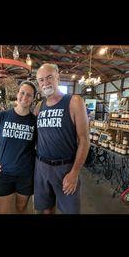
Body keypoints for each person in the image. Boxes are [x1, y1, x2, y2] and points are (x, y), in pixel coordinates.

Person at [34, 63, 90, 214]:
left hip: (65, 168)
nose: (45, 83)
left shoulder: (74, 102)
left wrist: (74, 173)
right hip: (42, 167)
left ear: (58, 77)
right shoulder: (39, 106)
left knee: (70, 211)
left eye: (49, 77)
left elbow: (84, 140)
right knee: (46, 209)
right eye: (41, 80)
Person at [0, 81, 37, 214]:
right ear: (17, 94)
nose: (25, 97)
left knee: (21, 209)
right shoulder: (2, 116)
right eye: (22, 93)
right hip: (4, 172)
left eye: (29, 95)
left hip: (26, 174)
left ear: (33, 98)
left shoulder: (35, 121)